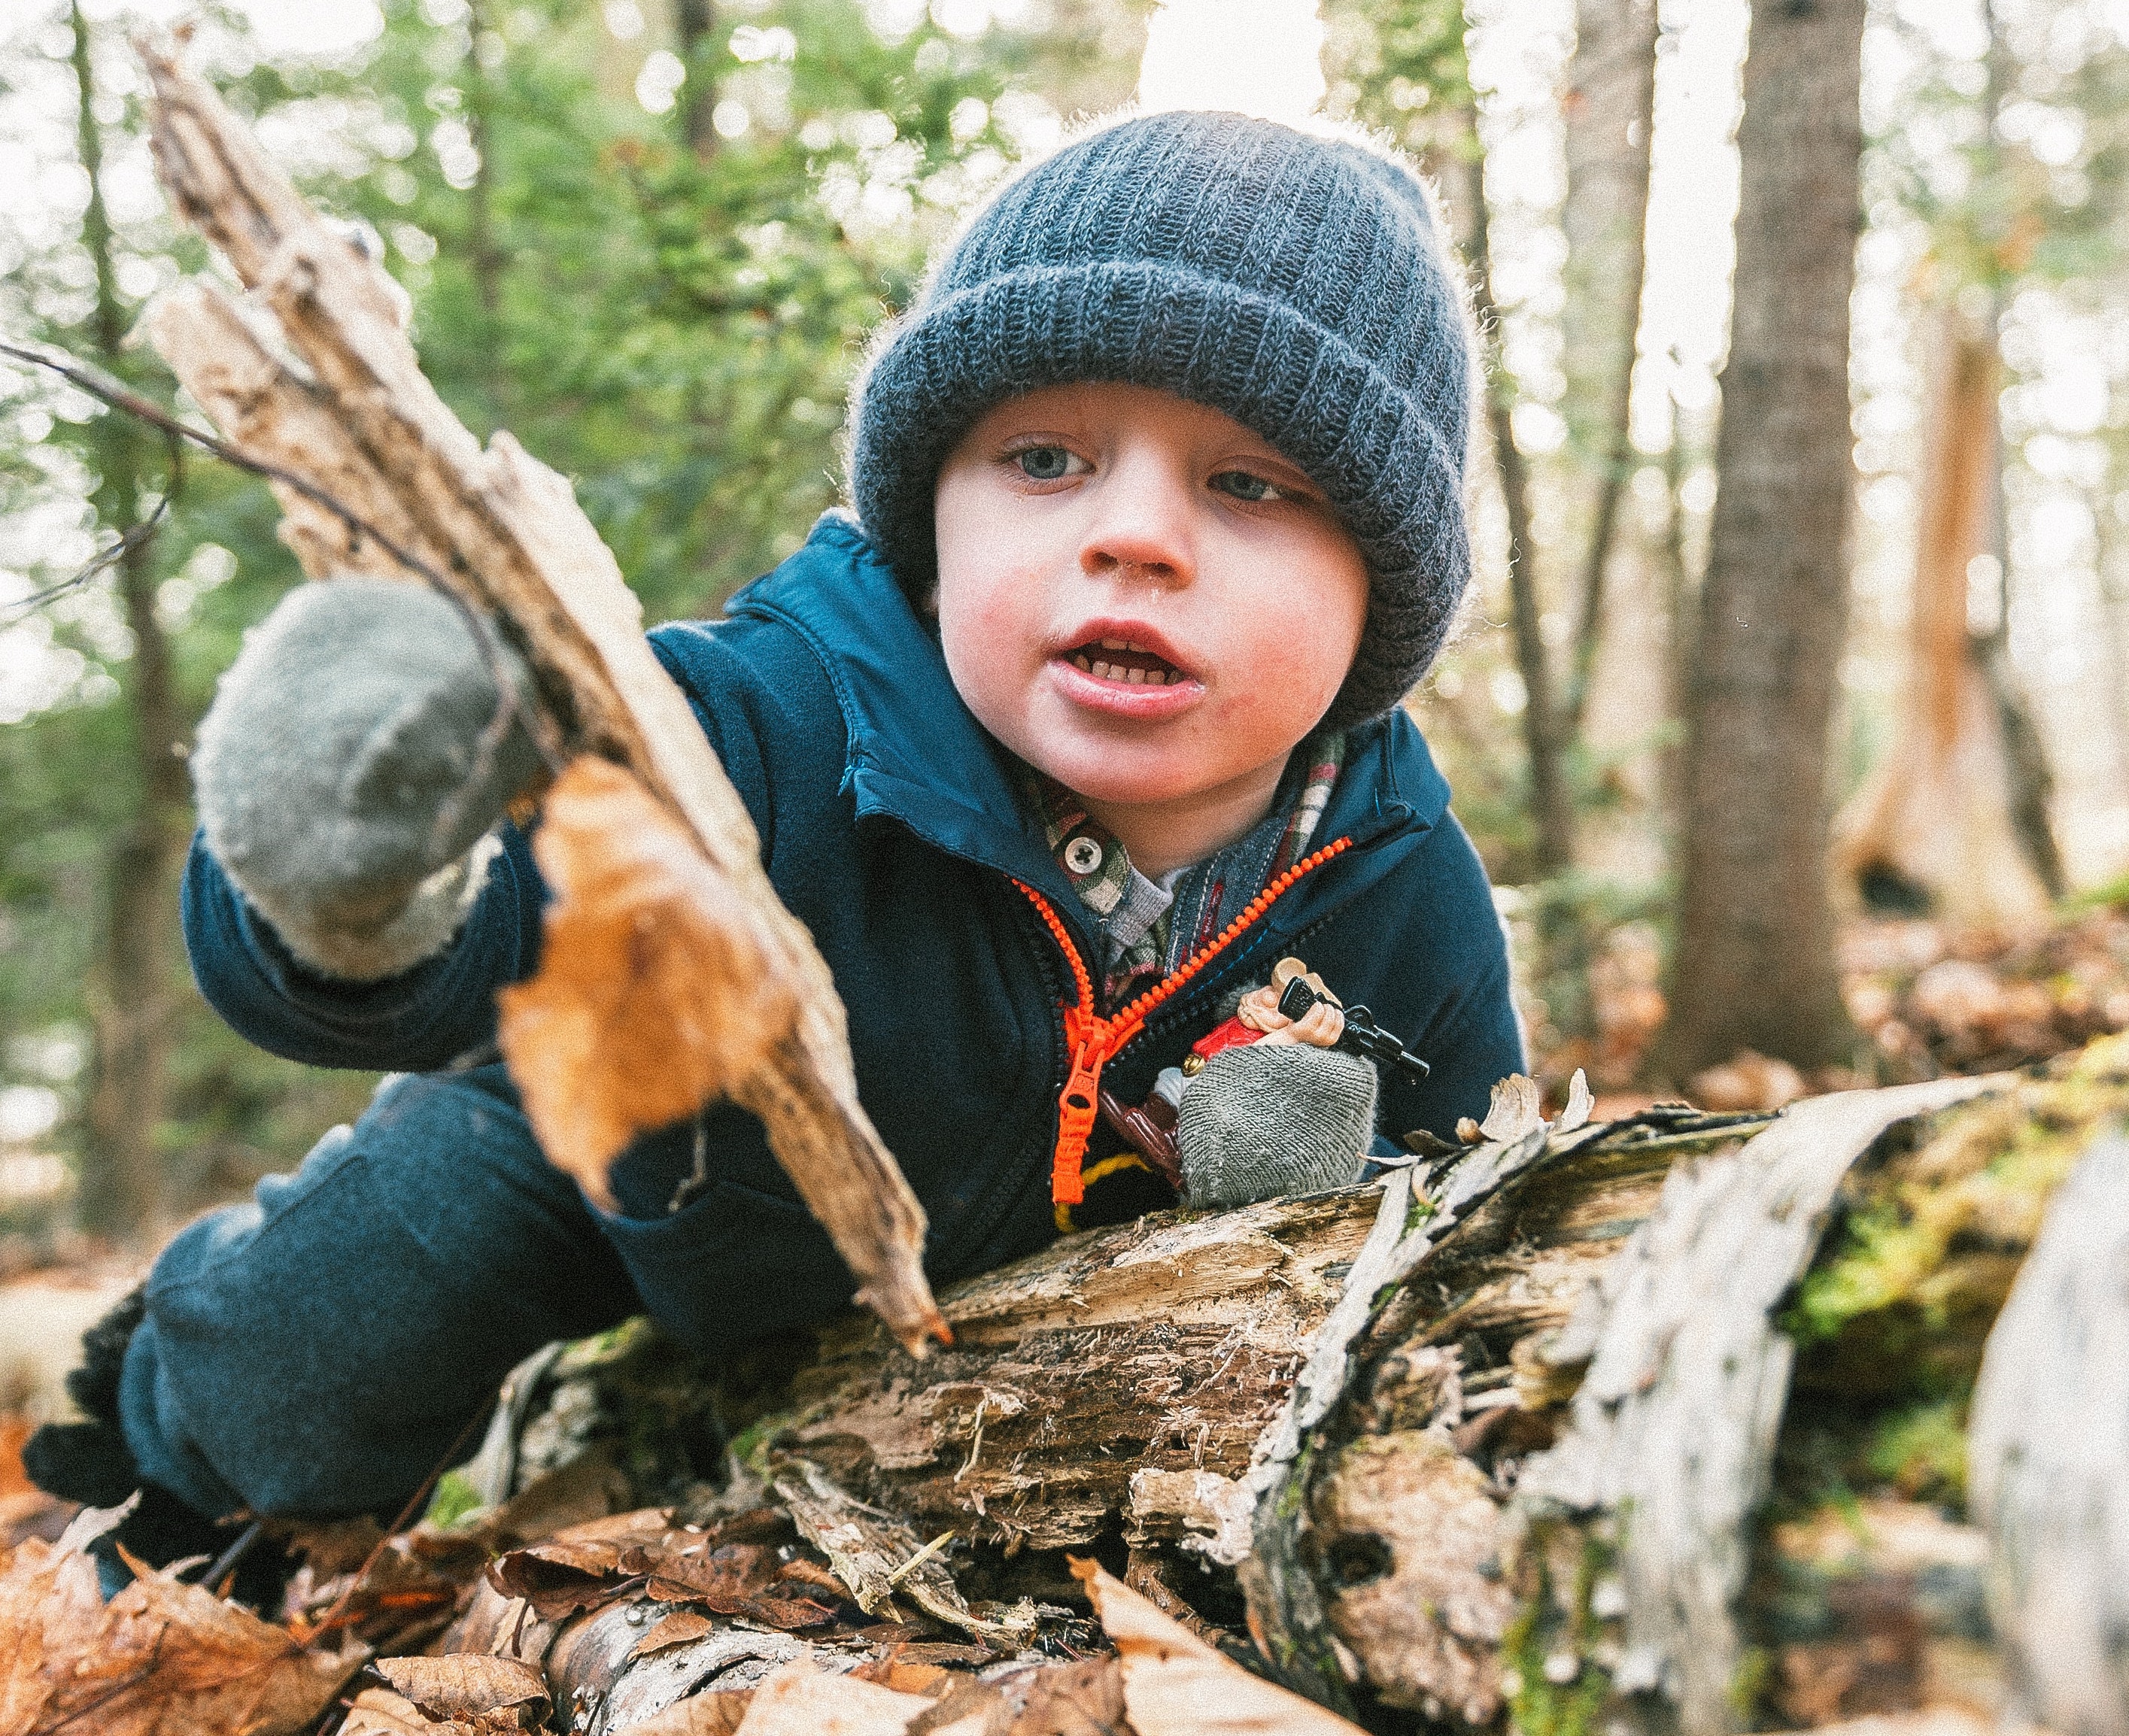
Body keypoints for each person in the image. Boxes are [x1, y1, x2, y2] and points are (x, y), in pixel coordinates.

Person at [26, 109, 1523, 1577]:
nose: (1131, 534)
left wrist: (1342, 1184)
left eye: (1248, 483)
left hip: (1001, 1338)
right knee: (366, 1290)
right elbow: (446, 950)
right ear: (929, 516)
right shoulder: (760, 725)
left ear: (1380, 596)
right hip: (648, 1165)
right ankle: (168, 1492)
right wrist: (347, 885)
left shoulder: (1393, 881)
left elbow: (1478, 1216)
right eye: (1044, 459)